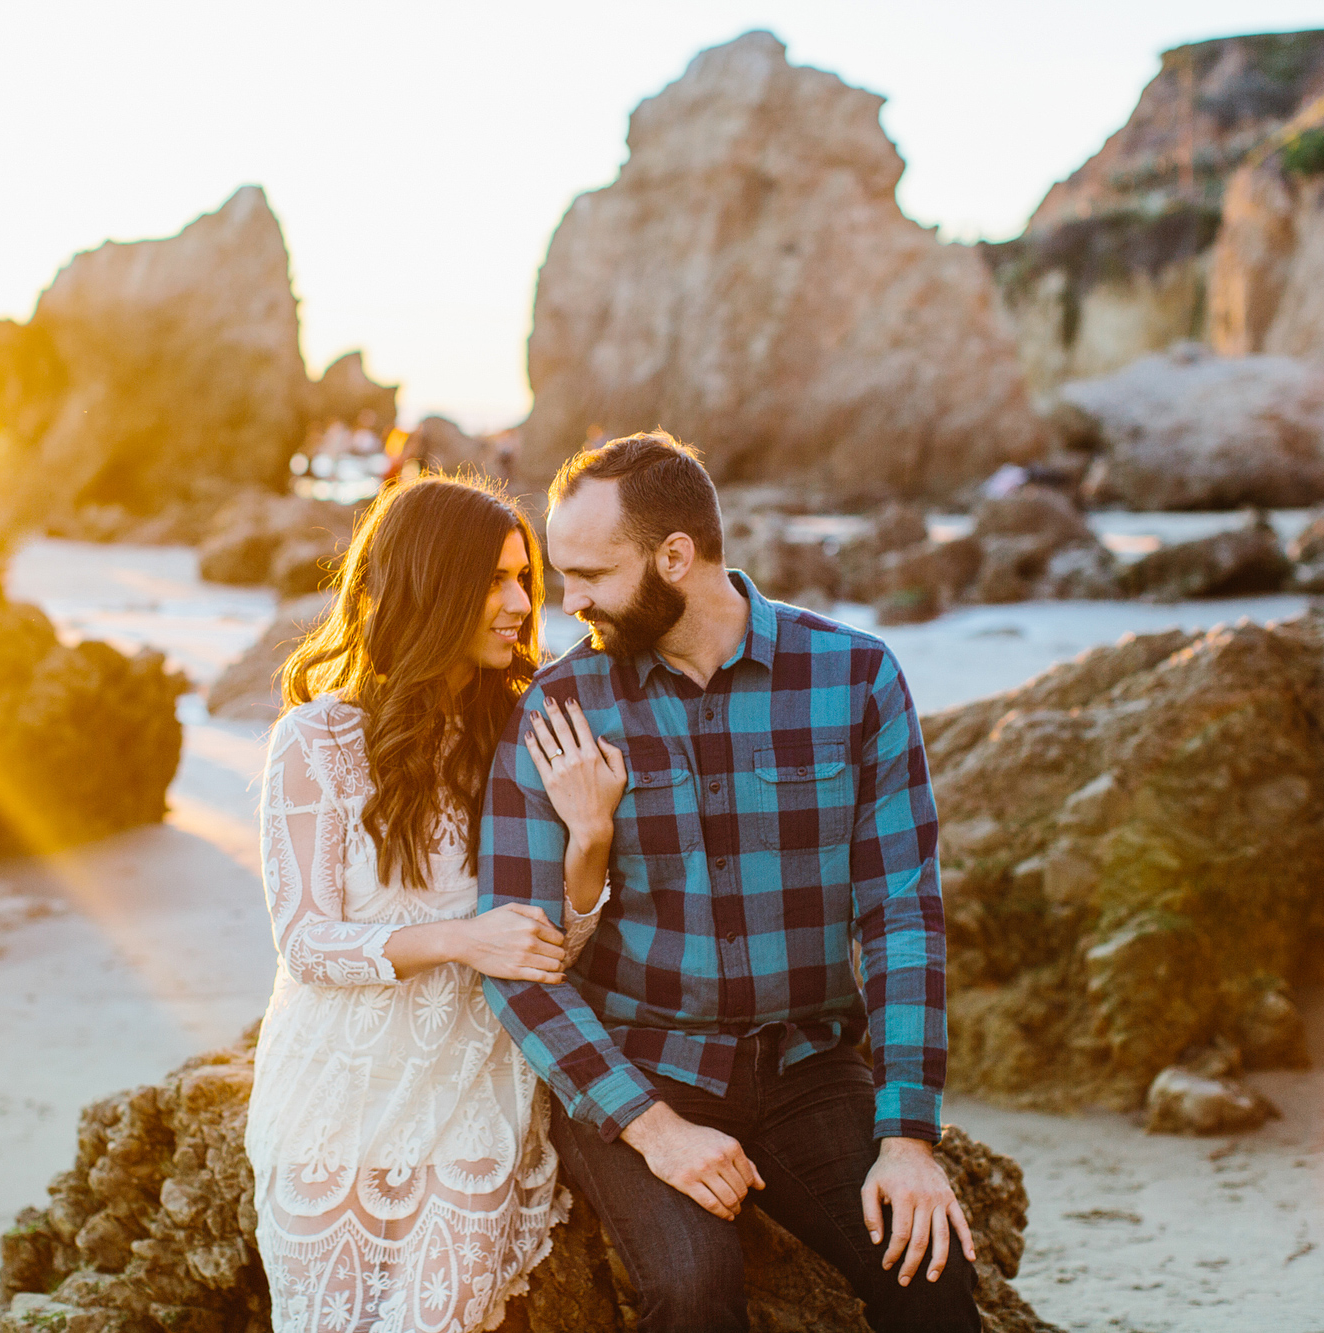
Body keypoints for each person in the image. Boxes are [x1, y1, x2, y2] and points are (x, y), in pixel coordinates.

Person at [478, 432, 982, 1333]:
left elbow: (903, 915)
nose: (572, 600)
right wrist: (654, 1128)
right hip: (643, 1066)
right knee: (697, 1292)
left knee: (931, 1284)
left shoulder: (856, 677)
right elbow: (516, 958)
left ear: (677, 556)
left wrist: (908, 1137)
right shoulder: (557, 710)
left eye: (591, 573)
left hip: (809, 1068)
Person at [245, 474, 628, 1333]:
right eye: (494, 579)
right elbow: (306, 943)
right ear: (431, 583)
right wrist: (463, 937)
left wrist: (590, 840)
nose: (520, 604)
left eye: (523, 578)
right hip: (333, 1093)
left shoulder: (527, 731)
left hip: (475, 1084)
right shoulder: (316, 741)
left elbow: (551, 947)